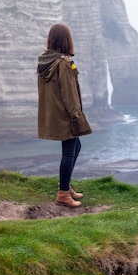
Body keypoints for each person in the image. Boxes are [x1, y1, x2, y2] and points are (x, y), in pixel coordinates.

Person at [37, 23, 92, 207]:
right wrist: (76, 115)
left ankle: (66, 186)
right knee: (69, 151)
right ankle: (62, 194)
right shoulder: (63, 64)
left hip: (53, 114)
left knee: (75, 146)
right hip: (66, 115)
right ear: (67, 40)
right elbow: (69, 94)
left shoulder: (45, 61)